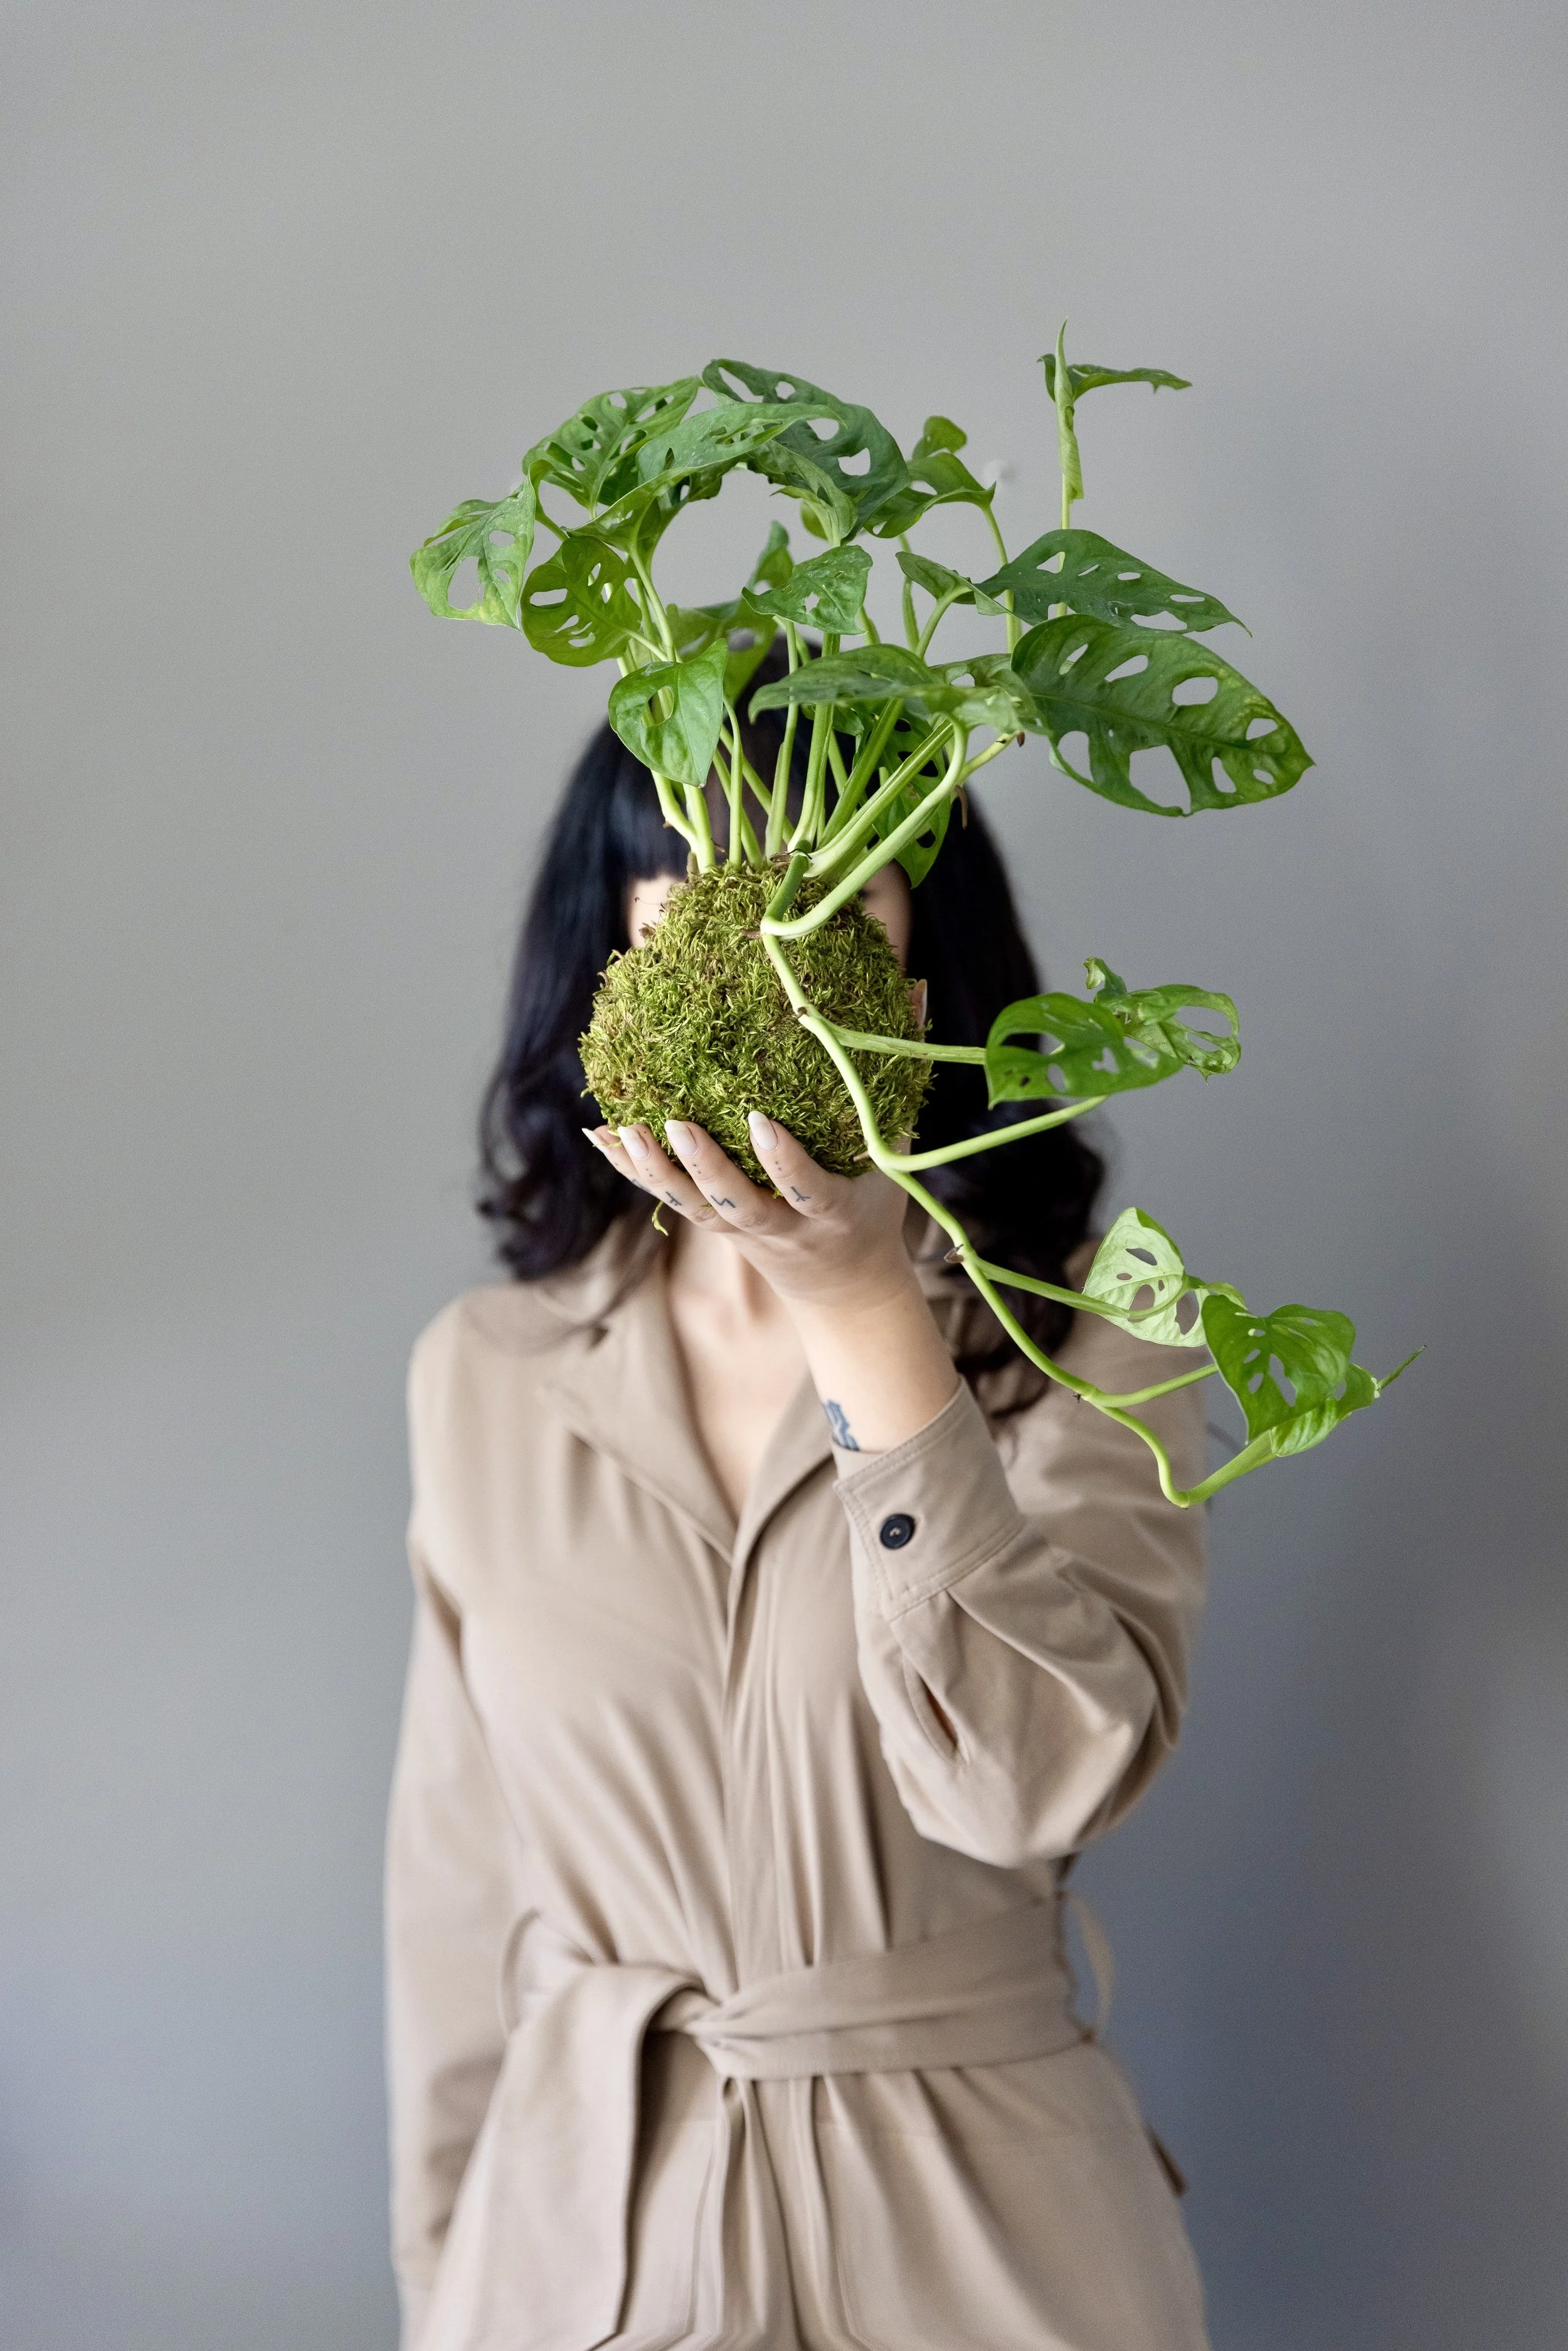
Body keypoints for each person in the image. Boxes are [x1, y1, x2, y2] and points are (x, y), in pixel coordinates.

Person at [385, 673, 1213, 2351]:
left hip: (985, 2250)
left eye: (828, 879)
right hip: (585, 2254)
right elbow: (457, 1905)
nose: (758, 925)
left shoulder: (1099, 1323)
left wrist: (862, 1313)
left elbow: (1039, 1775)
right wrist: (452, 2266)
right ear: (620, 944)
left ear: (916, 948)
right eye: (696, 879)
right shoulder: (485, 1373)